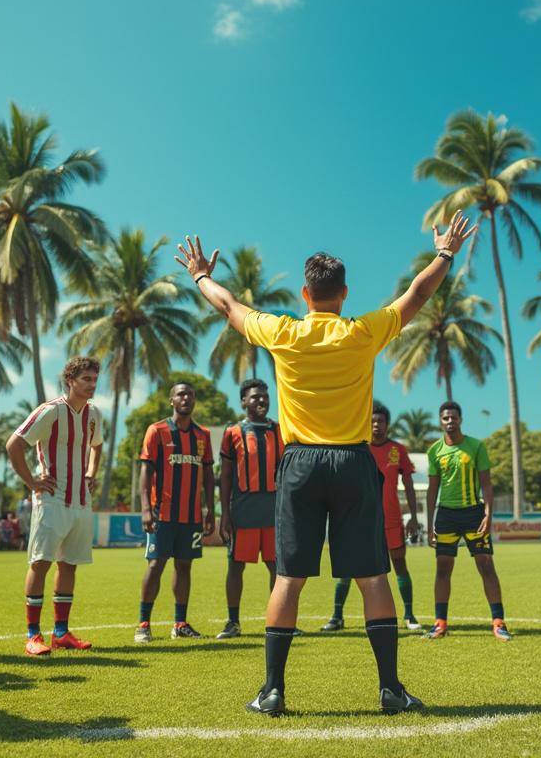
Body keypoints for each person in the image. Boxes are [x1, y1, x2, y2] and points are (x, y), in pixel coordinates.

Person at [176, 210, 477, 716]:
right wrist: (445, 251)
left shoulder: (282, 332)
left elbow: (227, 305)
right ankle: (389, 690)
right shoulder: (361, 331)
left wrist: (201, 274)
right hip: (353, 461)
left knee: (288, 578)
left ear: (304, 294)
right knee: (373, 578)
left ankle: (272, 691)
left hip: (299, 464)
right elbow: (419, 295)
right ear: (343, 294)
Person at [7, 357, 104, 656]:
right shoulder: (50, 411)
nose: (92, 384)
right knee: (41, 562)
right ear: (70, 380)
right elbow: (14, 444)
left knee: (69, 564)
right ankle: (33, 635)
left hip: (80, 502)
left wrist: (91, 473)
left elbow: (96, 445)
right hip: (52, 500)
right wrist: (31, 482)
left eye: (94, 379)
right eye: (86, 378)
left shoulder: (93, 414)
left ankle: (61, 633)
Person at [323, 401, 423, 632]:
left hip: (391, 519)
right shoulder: (358, 448)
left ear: (388, 424)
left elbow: (408, 483)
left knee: (399, 563)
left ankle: (409, 615)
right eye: (373, 421)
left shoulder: (398, 450)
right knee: (347, 568)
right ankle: (337, 617)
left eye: (381, 421)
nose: (377, 425)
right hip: (359, 518)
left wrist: (414, 518)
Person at [134, 382, 215, 642]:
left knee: (184, 566)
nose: (186, 398)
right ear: (171, 400)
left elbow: (209, 474)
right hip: (162, 514)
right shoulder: (156, 431)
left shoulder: (202, 435)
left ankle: (180, 624)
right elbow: (145, 471)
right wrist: (146, 508)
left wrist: (210, 511)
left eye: (190, 394)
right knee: (156, 564)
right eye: (181, 394)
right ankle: (143, 623)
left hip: (191, 516)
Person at [423, 402, 510, 642]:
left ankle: (499, 621)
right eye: (445, 418)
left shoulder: (476, 447)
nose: (449, 421)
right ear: (440, 421)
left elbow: (487, 483)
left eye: (453, 417)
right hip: (446, 516)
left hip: (473, 514)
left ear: (460, 419)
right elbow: (432, 490)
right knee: (443, 569)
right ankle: (440, 623)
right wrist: (430, 524)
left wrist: (488, 513)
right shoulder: (434, 451)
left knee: (486, 565)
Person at [216, 378, 284, 640]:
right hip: (242, 511)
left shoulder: (279, 430)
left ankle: (279, 621)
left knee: (277, 568)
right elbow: (225, 476)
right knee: (236, 567)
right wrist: (225, 515)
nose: (261, 401)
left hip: (273, 512)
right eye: (255, 397)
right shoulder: (233, 432)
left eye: (264, 396)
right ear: (244, 401)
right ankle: (233, 622)